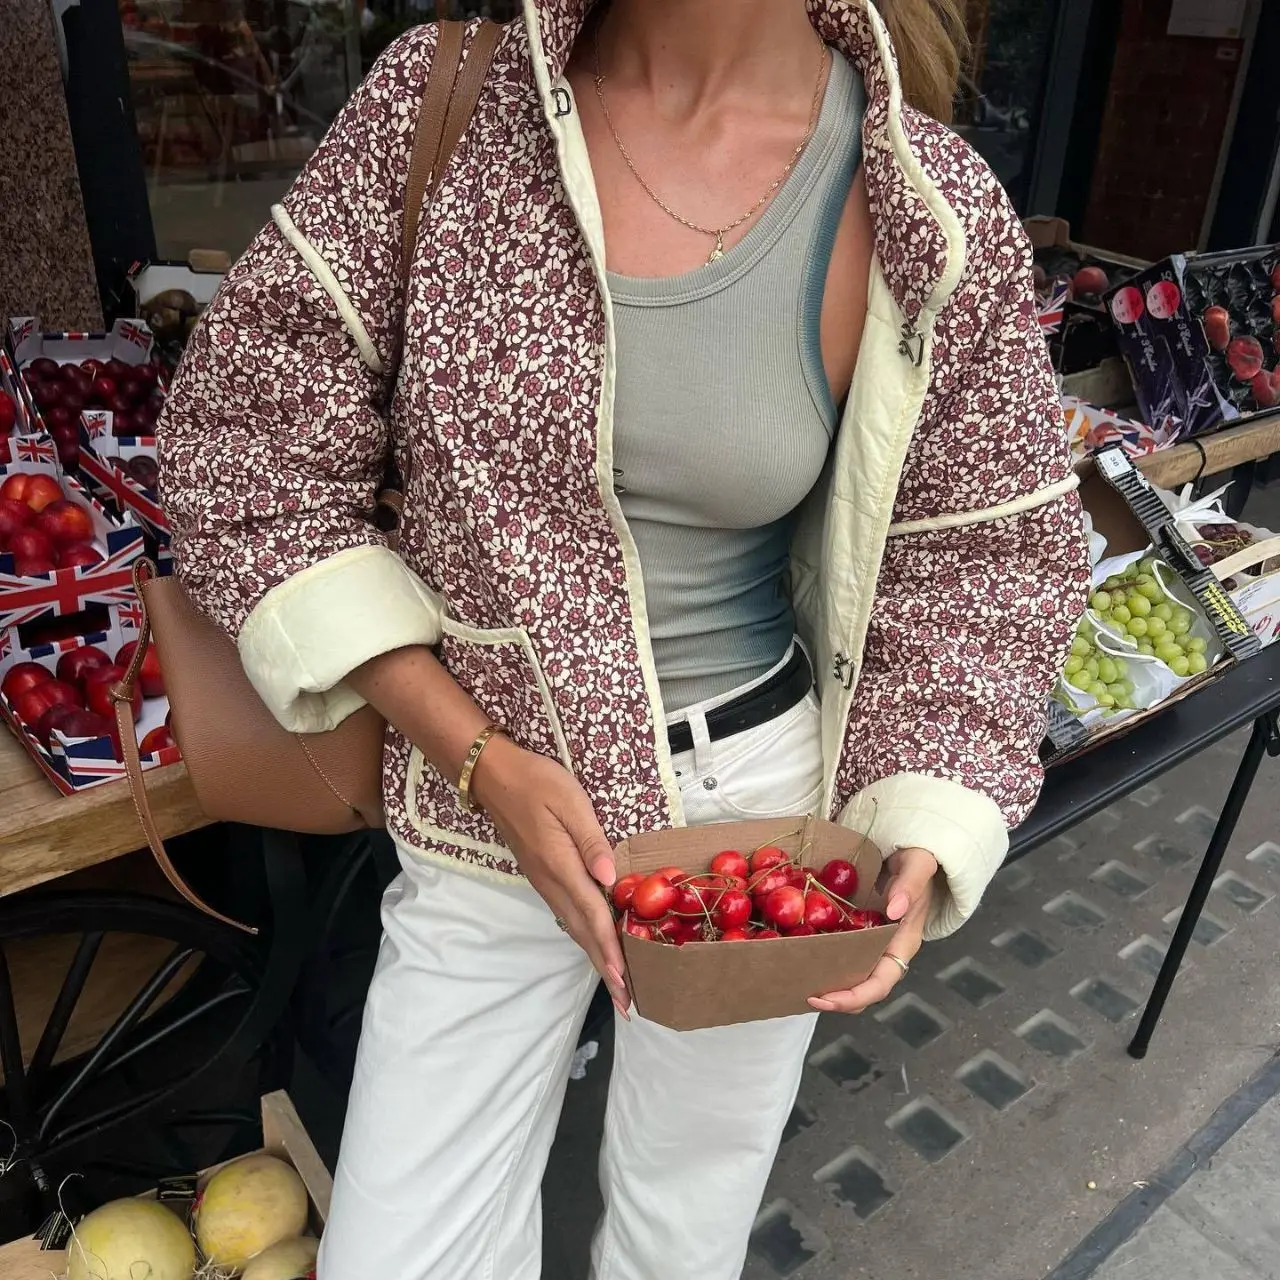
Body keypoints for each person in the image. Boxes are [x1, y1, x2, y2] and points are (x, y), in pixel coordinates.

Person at [158, 0, 1090, 1275]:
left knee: (681, 1236)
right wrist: (472, 748)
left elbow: (982, 550)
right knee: (399, 1250)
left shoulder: (922, 205)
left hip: (758, 820)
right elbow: (248, 445)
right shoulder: (445, 107)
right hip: (486, 791)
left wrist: (928, 810)